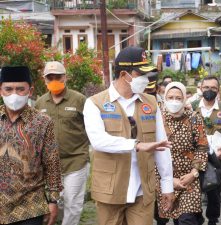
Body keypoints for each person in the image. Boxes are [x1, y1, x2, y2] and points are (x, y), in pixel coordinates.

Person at [83, 46, 174, 225]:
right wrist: (136, 145)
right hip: (110, 190)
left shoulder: (151, 102)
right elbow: (98, 141)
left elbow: (162, 147)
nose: (146, 79)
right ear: (124, 74)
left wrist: (167, 186)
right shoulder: (95, 103)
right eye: (141, 74)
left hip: (142, 190)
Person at [0, 66, 63, 225]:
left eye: (20, 89)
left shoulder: (42, 122)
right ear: (1, 91)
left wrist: (53, 200)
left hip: (31, 205)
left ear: (30, 90)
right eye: (8, 89)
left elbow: (52, 163)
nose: (14, 94)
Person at [35, 61, 90, 225]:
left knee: (73, 203)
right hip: (50, 164)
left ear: (65, 77)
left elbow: (93, 126)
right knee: (54, 203)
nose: (54, 81)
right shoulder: (40, 103)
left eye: (57, 77)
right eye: (49, 77)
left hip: (76, 160)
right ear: (44, 80)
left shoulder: (79, 100)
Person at [155, 82, 208, 225]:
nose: (174, 101)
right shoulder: (157, 118)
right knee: (162, 219)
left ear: (184, 99)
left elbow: (202, 147)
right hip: (163, 179)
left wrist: (193, 173)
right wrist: (168, 179)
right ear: (164, 97)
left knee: (186, 220)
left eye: (178, 98)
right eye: (170, 97)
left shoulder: (194, 118)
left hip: (189, 181)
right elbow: (152, 152)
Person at [192, 76, 221, 225]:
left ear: (218, 90)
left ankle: (213, 219)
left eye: (213, 88)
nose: (209, 90)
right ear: (200, 88)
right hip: (195, 158)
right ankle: (197, 217)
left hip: (217, 158)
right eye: (206, 87)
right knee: (194, 190)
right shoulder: (192, 106)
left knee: (214, 193)